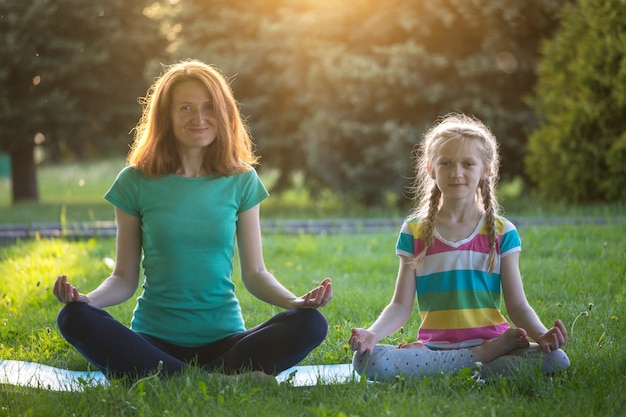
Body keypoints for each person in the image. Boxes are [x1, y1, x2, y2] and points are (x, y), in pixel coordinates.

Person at [53, 59, 333, 382]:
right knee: (73, 318)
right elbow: (123, 278)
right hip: (152, 341)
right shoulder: (135, 182)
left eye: (208, 107)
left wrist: (295, 302)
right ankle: (213, 380)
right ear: (166, 117)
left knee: (311, 324)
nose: (199, 118)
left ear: (223, 114)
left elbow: (255, 273)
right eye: (185, 108)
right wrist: (87, 301)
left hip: (226, 342)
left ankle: (173, 377)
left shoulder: (242, 180)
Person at [349, 113, 570, 381]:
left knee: (556, 358)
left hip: (494, 341)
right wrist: (372, 334)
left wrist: (541, 334)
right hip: (436, 348)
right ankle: (479, 360)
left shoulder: (503, 232)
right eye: (446, 164)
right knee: (366, 360)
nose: (457, 173)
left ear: (486, 169)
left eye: (468, 164)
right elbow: (400, 305)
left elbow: (517, 305)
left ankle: (457, 365)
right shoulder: (414, 231)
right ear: (431, 168)